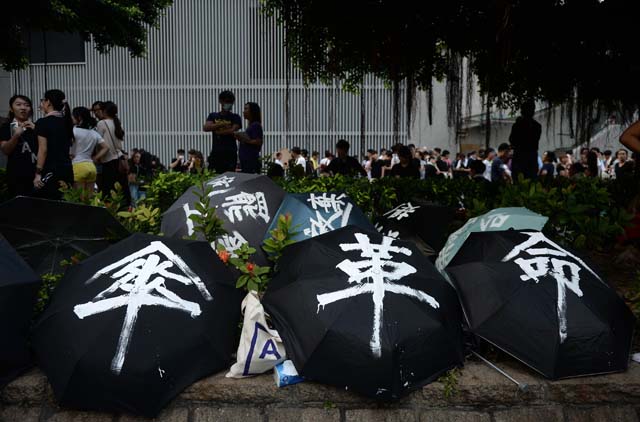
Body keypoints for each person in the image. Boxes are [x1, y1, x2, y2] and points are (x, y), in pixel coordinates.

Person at [33, 89, 74, 200]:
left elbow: (43, 149)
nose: (42, 104)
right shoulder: (67, 122)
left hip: (50, 170)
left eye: (43, 100)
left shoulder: (42, 122)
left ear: (48, 102)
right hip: (67, 169)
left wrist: (38, 173)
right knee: (65, 202)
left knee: (48, 205)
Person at [0, 95, 38, 197]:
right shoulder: (7, 127)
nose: (23, 107)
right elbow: (5, 150)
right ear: (11, 109)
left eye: (27, 105)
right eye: (18, 104)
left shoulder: (37, 127)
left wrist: (38, 131)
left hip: (37, 174)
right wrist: (16, 135)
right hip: (16, 175)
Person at [96, 101, 130, 204]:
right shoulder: (118, 123)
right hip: (120, 160)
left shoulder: (102, 123)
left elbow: (98, 142)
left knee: (108, 191)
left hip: (109, 161)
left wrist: (97, 156)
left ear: (105, 111)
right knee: (122, 189)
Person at [70, 106, 107, 193]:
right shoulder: (94, 133)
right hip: (91, 167)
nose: (71, 118)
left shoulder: (73, 131)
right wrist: (95, 158)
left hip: (77, 166)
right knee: (89, 200)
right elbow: (106, 147)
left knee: (78, 199)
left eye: (73, 116)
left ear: (79, 117)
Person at [204, 91, 242, 173]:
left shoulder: (235, 117)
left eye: (231, 102)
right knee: (214, 175)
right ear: (221, 101)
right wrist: (223, 124)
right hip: (216, 151)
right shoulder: (213, 115)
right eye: (227, 101)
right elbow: (206, 127)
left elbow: (234, 129)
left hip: (230, 152)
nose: (229, 104)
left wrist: (218, 131)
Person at [509, 100, 541, 179]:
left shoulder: (517, 125)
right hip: (531, 158)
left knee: (519, 182)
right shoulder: (537, 126)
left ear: (522, 111)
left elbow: (512, 140)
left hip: (520, 158)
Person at [234, 102, 263, 174]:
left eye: (246, 109)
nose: (244, 111)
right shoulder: (251, 126)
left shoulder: (255, 125)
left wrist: (245, 139)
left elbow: (258, 141)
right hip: (246, 161)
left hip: (251, 161)